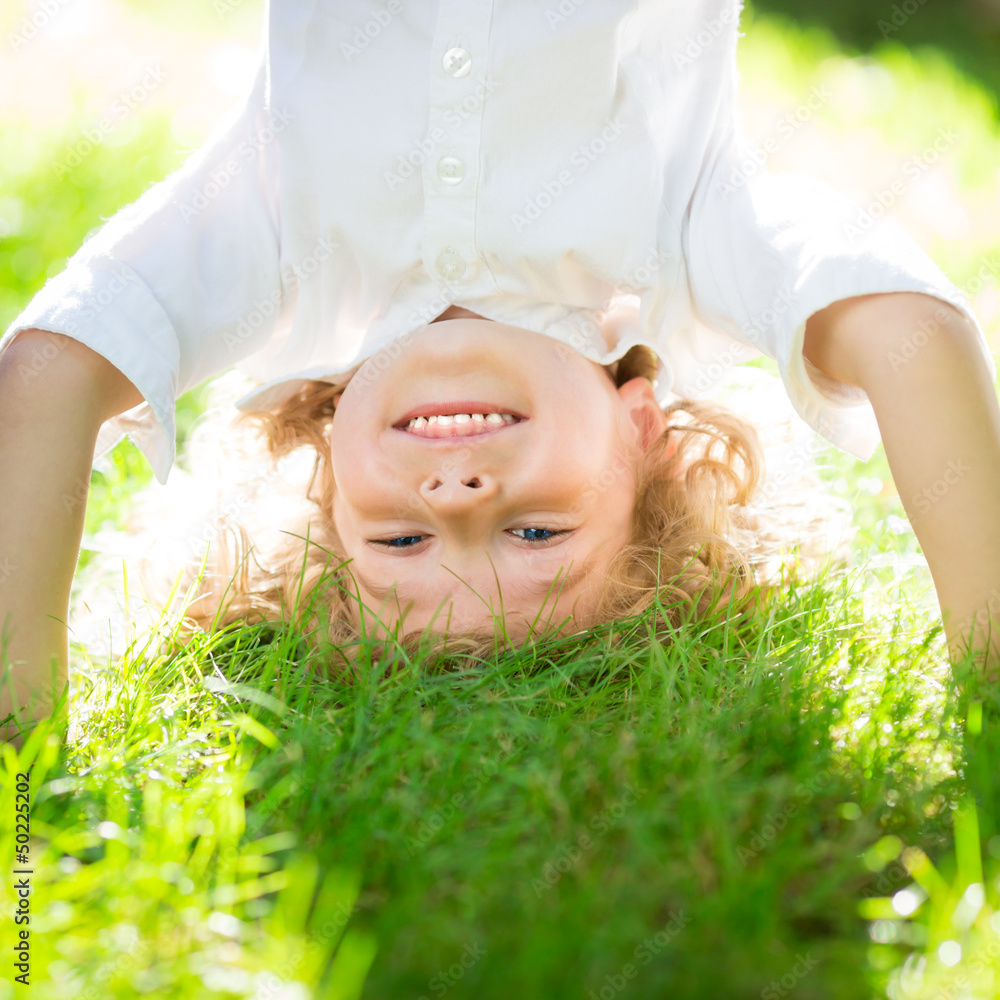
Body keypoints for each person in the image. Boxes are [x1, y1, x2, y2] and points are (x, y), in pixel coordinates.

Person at [2, 0, 999, 740]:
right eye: (533, 531)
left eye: (399, 538)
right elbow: (913, 332)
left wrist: (24, 735)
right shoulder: (684, 235)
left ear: (328, 467)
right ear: (643, 432)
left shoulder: (273, 234)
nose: (459, 492)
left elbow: (45, 376)